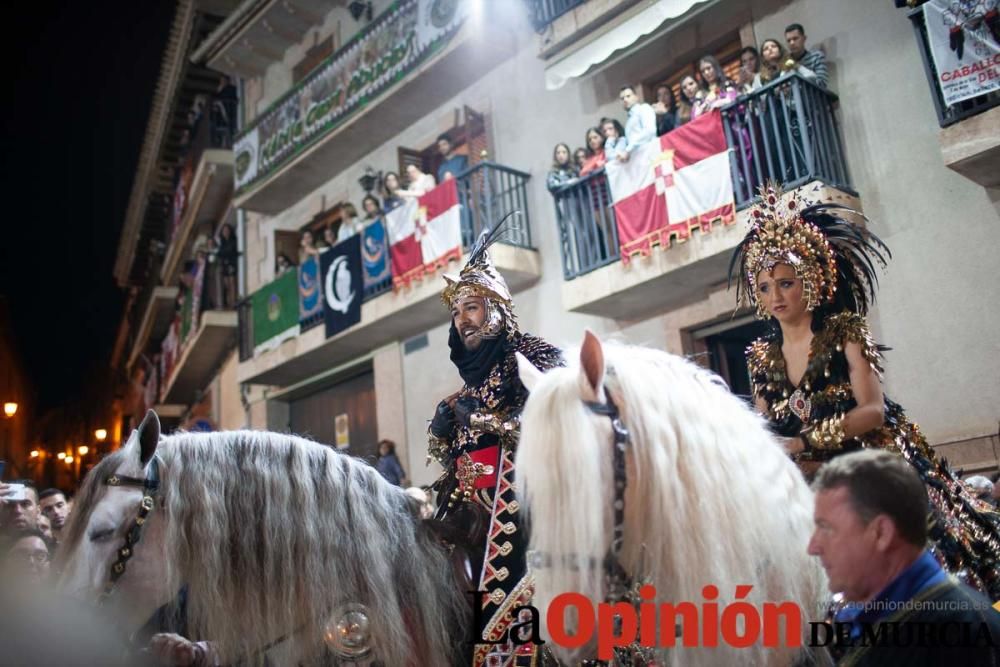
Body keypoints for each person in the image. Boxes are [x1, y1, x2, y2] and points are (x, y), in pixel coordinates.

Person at [731, 184, 1000, 598]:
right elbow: (767, 426)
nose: (775, 296)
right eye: (765, 287)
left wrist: (803, 442)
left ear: (813, 279)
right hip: (802, 474)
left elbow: (872, 411)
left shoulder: (846, 332)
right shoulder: (761, 355)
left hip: (869, 456)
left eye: (786, 283)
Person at [428, 216, 563, 666]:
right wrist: (445, 434)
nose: (462, 320)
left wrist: (487, 421)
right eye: (456, 312)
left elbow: (558, 427)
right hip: (474, 524)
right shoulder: (464, 388)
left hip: (531, 517)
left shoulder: (533, 357)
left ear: (497, 311)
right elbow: (460, 467)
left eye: (472, 308)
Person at [809, 450, 1000, 665]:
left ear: (881, 533)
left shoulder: (961, 634)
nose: (813, 547)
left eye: (827, 529)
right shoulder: (879, 619)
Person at [753, 37, 818, 89]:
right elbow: (760, 97)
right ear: (763, 56)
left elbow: (813, 77)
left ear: (780, 50)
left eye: (774, 46)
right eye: (766, 49)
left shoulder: (791, 65)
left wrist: (793, 84)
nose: (770, 49)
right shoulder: (759, 77)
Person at [615, 85, 657, 162]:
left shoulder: (644, 108)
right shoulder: (628, 123)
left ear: (636, 97)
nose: (625, 99)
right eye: (622, 98)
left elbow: (649, 131)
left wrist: (628, 150)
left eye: (628, 96)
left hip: (651, 155)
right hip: (638, 161)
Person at [785, 23, 829, 88]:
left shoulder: (816, 56)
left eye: (795, 38)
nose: (792, 43)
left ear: (804, 38)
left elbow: (822, 84)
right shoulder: (785, 62)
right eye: (788, 40)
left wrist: (797, 66)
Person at [215, 223, 239, 308]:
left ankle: (234, 302)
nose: (225, 232)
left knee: (232, 284)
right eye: (224, 230)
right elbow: (219, 254)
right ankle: (229, 303)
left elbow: (231, 251)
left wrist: (223, 253)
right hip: (224, 265)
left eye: (227, 230)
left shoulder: (234, 241)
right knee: (227, 286)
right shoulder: (222, 243)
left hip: (232, 264)